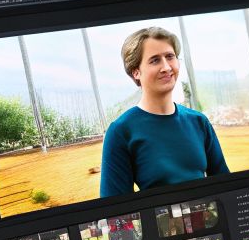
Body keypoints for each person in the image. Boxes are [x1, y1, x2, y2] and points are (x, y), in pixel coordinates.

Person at [99, 26, 230, 197]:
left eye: (170, 57)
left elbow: (225, 186)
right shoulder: (121, 131)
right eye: (155, 60)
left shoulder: (198, 122)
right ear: (136, 72)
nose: (167, 67)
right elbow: (114, 208)